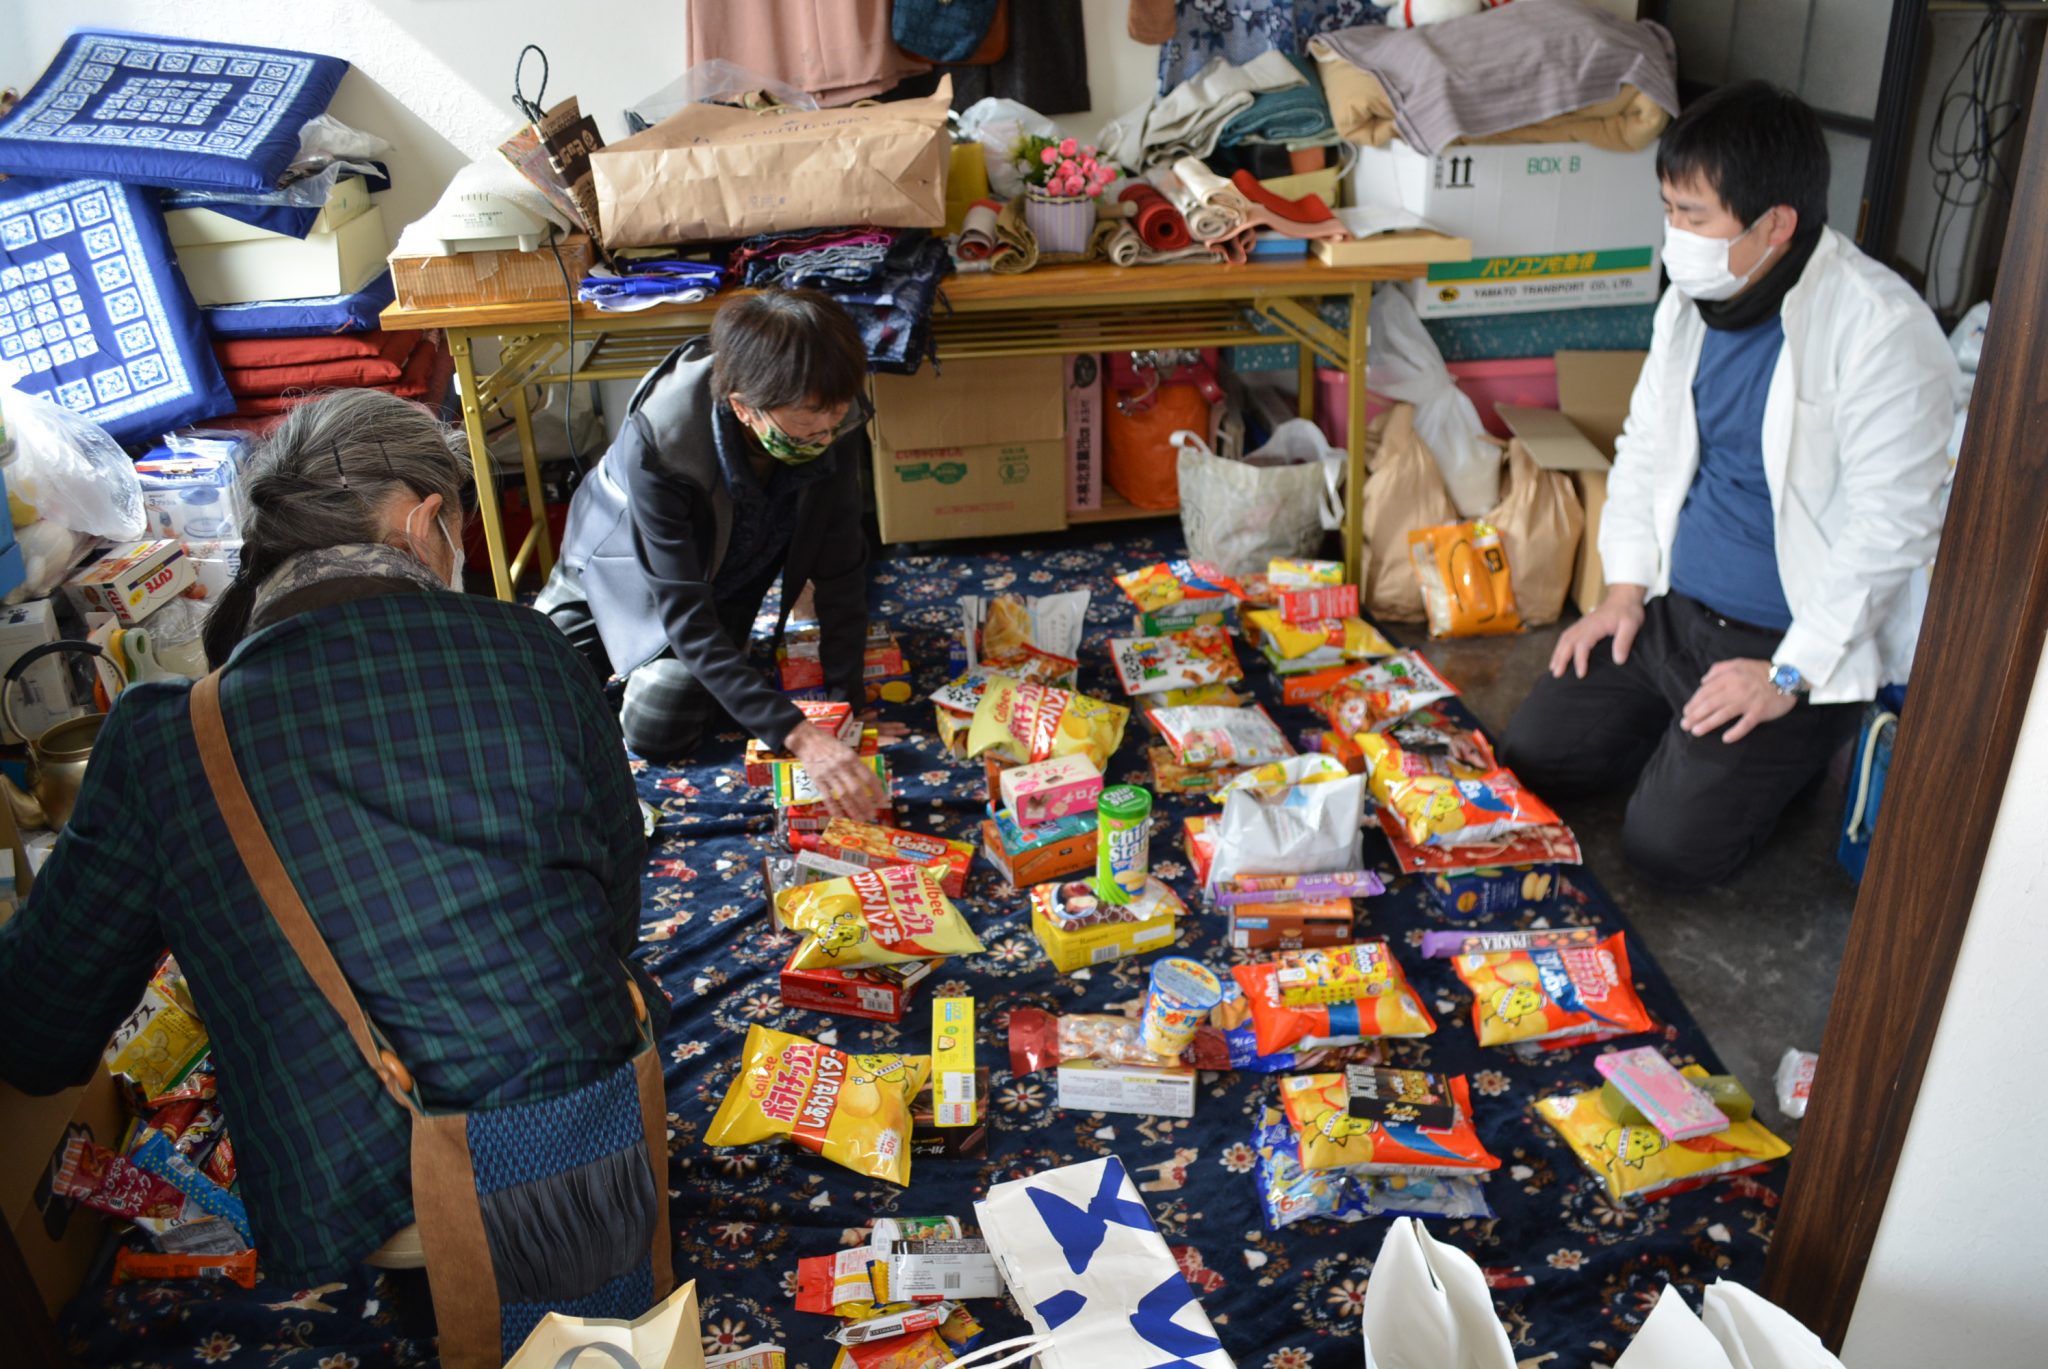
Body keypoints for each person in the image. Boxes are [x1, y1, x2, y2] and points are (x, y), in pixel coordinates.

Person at [0, 390, 665, 1308]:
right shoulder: (533, 648)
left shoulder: (165, 739)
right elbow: (615, 908)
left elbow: (34, 1030)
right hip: (592, 1129)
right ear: (426, 520)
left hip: (353, 1188)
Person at [1499, 81, 1960, 889]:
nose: (1673, 235)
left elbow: (1894, 528)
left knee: (1667, 849)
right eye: (1668, 208)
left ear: (1775, 224)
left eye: (1693, 215)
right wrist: (1623, 592)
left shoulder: (1881, 330)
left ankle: (1785, 750)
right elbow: (1645, 446)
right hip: (1674, 612)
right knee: (1533, 755)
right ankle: (1687, 740)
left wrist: (1788, 674)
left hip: (1786, 646)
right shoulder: (1698, 299)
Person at [537, 289, 891, 817]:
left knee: (660, 726)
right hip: (616, 565)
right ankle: (625, 657)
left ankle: (663, 672)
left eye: (834, 419)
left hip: (726, 573)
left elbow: (842, 570)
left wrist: (846, 710)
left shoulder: (830, 424)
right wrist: (798, 734)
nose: (825, 435)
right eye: (808, 423)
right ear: (743, 406)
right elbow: (683, 611)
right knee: (536, 687)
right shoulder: (663, 438)